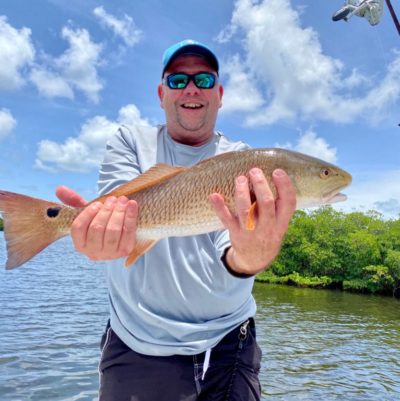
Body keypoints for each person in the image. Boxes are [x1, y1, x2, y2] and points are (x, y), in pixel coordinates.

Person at [56, 39, 296, 401]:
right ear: (161, 93)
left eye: (203, 78)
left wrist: (254, 254)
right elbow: (119, 211)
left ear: (219, 93)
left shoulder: (242, 159)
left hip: (229, 342)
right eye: (178, 80)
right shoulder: (130, 141)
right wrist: (100, 232)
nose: (191, 88)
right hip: (137, 345)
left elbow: (232, 250)